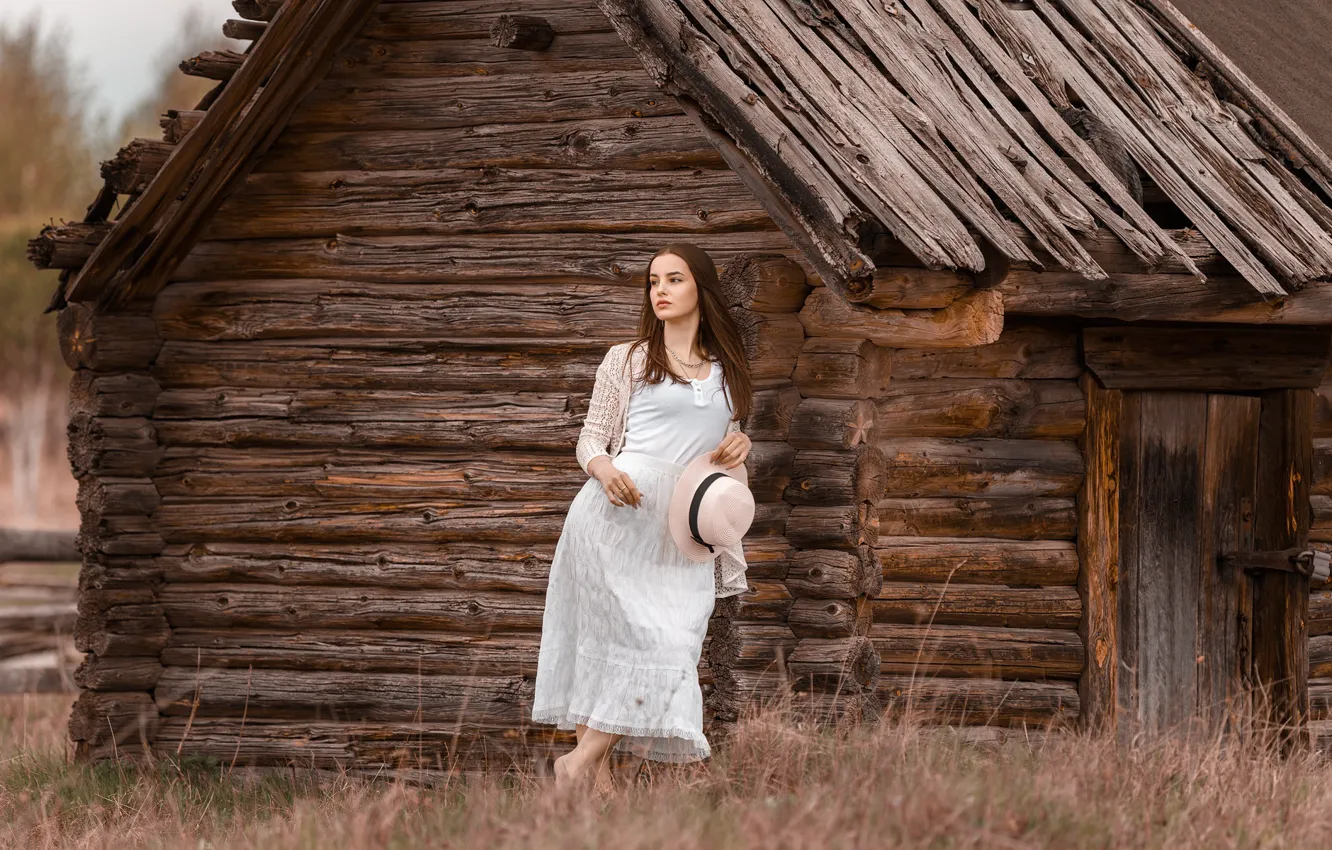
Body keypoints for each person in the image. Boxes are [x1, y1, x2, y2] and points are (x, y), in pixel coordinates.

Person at [530, 242, 754, 793]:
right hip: (618, 517)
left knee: (671, 643)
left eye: (674, 280)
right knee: (604, 644)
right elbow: (590, 439)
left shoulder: (728, 371)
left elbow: (722, 443)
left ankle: (575, 767)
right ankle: (597, 795)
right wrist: (604, 471)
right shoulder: (627, 359)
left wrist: (741, 443)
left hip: (683, 526)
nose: (660, 290)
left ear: (700, 288)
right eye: (654, 280)